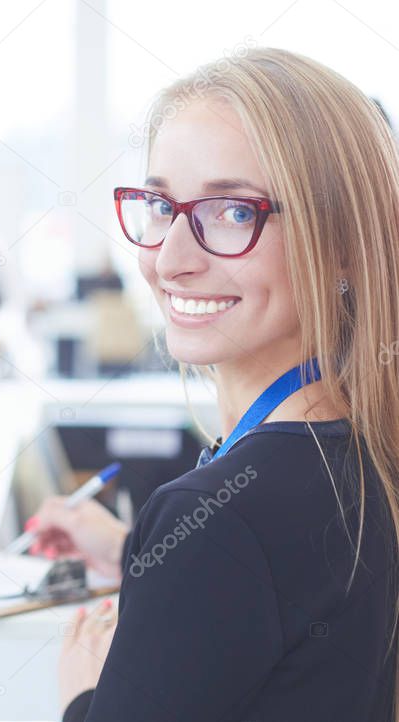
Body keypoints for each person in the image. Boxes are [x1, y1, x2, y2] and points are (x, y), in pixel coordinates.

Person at [37, 48, 399, 721]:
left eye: (232, 212)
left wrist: (85, 697)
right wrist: (148, 564)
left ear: (344, 242)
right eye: (158, 205)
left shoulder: (217, 520)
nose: (169, 260)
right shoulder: (369, 452)